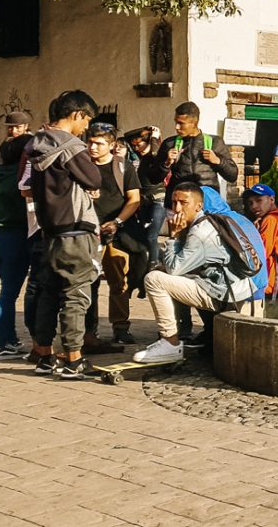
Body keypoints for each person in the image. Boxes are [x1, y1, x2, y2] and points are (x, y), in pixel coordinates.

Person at [132, 183, 267, 363]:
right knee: (172, 276)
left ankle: (169, 342)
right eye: (174, 203)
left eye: (183, 203)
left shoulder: (201, 231)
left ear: (199, 206)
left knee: (154, 279)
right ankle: (183, 334)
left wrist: (174, 236)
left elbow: (174, 267)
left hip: (230, 293)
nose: (177, 209)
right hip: (242, 286)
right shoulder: (229, 219)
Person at [28, 90, 103, 378]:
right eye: (86, 121)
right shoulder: (70, 145)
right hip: (74, 229)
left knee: (49, 292)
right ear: (77, 114)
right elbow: (94, 178)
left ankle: (44, 355)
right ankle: (73, 359)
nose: (86, 128)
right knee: (75, 294)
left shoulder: (37, 143)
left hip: (49, 231)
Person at [86, 123, 147, 345]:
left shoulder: (124, 168)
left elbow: (134, 199)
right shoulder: (81, 166)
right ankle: (88, 330)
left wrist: (117, 221)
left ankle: (120, 327)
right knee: (87, 283)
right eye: (90, 142)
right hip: (86, 233)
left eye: (99, 143)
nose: (93, 147)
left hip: (116, 233)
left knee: (118, 282)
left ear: (111, 146)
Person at [0, 111, 33, 359]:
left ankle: (10, 338)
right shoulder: (21, 180)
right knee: (9, 293)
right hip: (14, 235)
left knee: (7, 289)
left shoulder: (0, 174)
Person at [126, 126, 166, 269]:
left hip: (159, 200)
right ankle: (161, 258)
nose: (136, 148)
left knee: (151, 236)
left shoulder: (157, 156)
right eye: (134, 145)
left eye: (139, 144)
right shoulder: (142, 158)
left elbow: (156, 154)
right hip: (145, 201)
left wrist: (154, 138)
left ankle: (152, 266)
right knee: (144, 237)